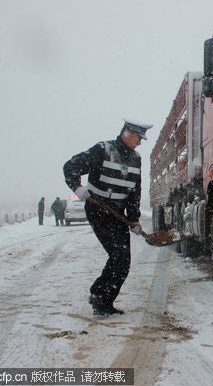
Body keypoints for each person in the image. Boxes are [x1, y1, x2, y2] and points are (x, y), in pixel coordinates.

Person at [63, 118, 152, 316]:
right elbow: (71, 166)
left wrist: (134, 219)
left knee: (124, 260)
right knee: (119, 255)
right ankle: (99, 296)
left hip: (118, 214)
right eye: (138, 138)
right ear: (127, 133)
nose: (140, 143)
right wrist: (77, 187)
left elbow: (134, 192)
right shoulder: (103, 150)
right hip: (99, 210)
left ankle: (103, 300)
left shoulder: (136, 159)